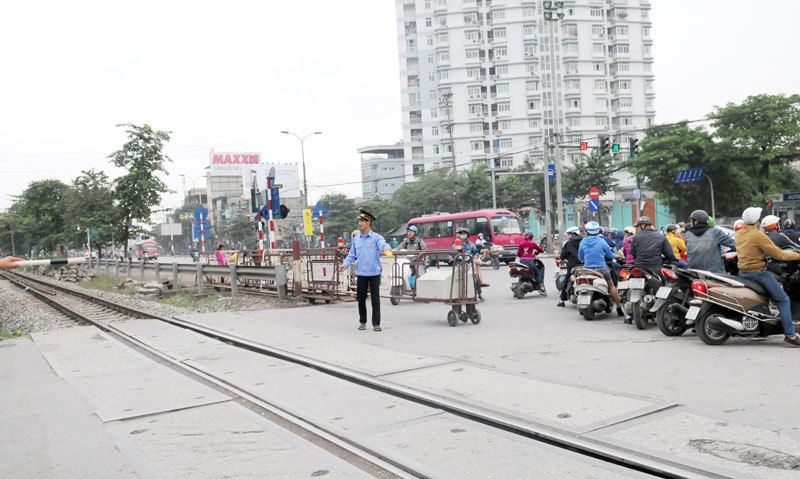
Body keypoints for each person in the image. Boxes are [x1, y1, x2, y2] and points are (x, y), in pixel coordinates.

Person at [736, 207, 800, 347]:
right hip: (758, 273)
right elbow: (779, 254)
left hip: (743, 272)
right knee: (783, 300)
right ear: (757, 221)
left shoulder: (739, 233)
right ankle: (790, 335)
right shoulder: (758, 235)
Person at [339, 210, 394, 332]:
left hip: (374, 273)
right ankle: (362, 321)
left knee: (375, 299)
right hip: (361, 273)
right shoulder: (356, 239)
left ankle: (376, 324)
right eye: (359, 221)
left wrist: (386, 249)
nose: (359, 223)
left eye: (361, 221)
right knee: (361, 298)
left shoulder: (376, 237)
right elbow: (351, 255)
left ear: (368, 222)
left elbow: (383, 245)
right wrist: (345, 264)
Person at [578, 221, 624, 316]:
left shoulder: (583, 242)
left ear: (587, 231)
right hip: (601, 269)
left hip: (587, 269)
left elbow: (580, 257)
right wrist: (616, 257)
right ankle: (619, 306)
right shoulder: (602, 241)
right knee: (611, 285)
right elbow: (609, 254)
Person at [684, 210, 736, 274]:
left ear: (696, 221)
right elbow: (733, 243)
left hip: (694, 273)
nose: (690, 223)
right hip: (715, 273)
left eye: (691, 221)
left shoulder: (687, 235)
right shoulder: (716, 233)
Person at [557, 226, 582, 307]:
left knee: (566, 280)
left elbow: (562, 256)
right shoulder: (584, 241)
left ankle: (562, 300)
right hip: (586, 265)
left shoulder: (568, 243)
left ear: (574, 234)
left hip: (573, 266)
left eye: (569, 234)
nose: (569, 236)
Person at [518, 230, 545, 295]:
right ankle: (542, 288)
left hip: (521, 261)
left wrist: (523, 256)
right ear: (531, 237)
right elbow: (540, 250)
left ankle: (518, 286)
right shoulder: (532, 243)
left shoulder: (521, 243)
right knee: (538, 273)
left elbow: (519, 253)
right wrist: (542, 250)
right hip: (529, 261)